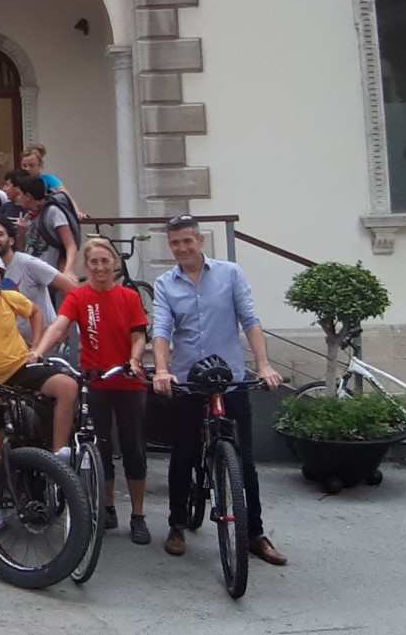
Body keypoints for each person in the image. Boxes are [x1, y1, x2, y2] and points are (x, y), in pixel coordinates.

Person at [153, 214, 287, 565]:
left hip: (229, 378)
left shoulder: (230, 273)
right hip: (187, 380)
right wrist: (163, 370)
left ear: (200, 242)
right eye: (175, 243)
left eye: (187, 241)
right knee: (183, 453)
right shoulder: (166, 283)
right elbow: (162, 330)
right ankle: (177, 525)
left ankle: (255, 533)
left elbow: (250, 321)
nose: (182, 248)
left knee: (243, 460)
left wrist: (264, 365)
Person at [30, 236, 151, 544]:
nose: (100, 267)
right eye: (94, 262)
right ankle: (108, 507)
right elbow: (60, 325)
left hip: (128, 381)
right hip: (96, 382)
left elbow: (139, 334)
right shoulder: (80, 297)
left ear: (115, 264)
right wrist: (39, 351)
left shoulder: (129, 296)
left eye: (105, 261)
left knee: (134, 448)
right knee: (102, 448)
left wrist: (134, 360)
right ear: (87, 266)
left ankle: (138, 515)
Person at [0, 250, 78, 468]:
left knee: (68, 386)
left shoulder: (10, 298)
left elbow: (36, 313)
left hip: (19, 368)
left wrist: (36, 346)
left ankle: (59, 455)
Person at [0, 213, 80, 352]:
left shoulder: (28, 263)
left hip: (46, 346)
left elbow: (72, 289)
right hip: (13, 349)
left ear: (11, 240)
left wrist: (63, 328)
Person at [16, 174, 78, 278]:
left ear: (27, 196)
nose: (17, 198)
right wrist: (21, 234)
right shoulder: (28, 216)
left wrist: (68, 270)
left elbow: (70, 245)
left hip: (51, 276)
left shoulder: (52, 212)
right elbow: (22, 252)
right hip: (31, 275)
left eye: (19, 194)